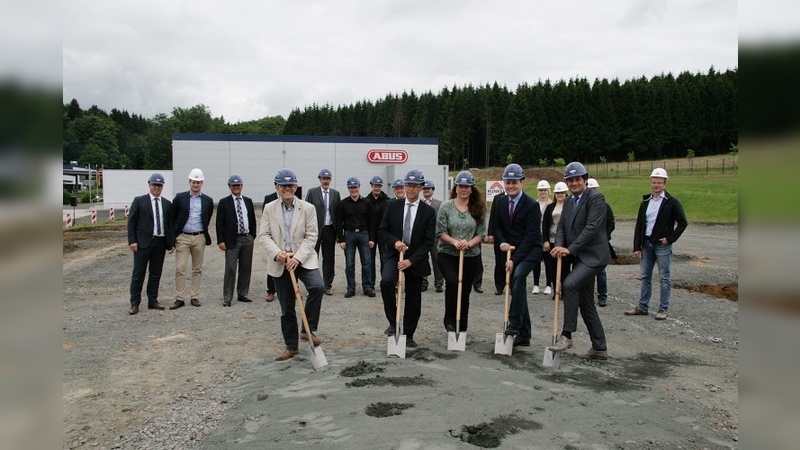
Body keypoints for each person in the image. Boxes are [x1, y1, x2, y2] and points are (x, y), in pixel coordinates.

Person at [259, 169, 326, 361]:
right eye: (283, 186)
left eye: (290, 186)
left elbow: (312, 235)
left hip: (303, 258)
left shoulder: (308, 208)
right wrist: (277, 253)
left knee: (317, 287)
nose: (287, 189)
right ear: (277, 188)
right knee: (287, 306)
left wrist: (298, 258)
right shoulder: (269, 208)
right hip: (281, 260)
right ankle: (291, 347)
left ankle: (307, 329)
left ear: (296, 187)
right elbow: (264, 235)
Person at [548, 162, 611, 360]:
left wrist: (570, 249)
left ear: (585, 180)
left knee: (570, 284)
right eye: (571, 180)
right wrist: (558, 246)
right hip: (580, 257)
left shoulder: (596, 198)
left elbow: (591, 228)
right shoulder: (567, 202)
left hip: (594, 257)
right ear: (567, 182)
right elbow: (561, 228)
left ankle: (566, 335)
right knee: (586, 303)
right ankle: (599, 347)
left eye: (578, 179)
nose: (574, 183)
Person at [378, 169, 436, 348]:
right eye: (408, 185)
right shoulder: (393, 206)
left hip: (415, 258)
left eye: (415, 186)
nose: (411, 189)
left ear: (420, 187)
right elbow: (382, 231)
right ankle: (393, 322)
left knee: (413, 298)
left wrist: (411, 261)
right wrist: (395, 242)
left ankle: (409, 333)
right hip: (395, 254)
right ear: (404, 186)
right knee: (386, 282)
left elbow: (428, 242)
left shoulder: (428, 212)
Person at [488, 164, 543, 347]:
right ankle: (525, 335)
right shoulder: (500, 201)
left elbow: (531, 236)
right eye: (508, 182)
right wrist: (501, 242)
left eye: (514, 182)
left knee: (518, 277)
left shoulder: (532, 205)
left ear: (522, 182)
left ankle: (514, 324)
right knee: (516, 288)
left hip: (529, 250)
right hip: (510, 249)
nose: (511, 186)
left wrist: (514, 260)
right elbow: (496, 226)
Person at [626, 168, 688, 320]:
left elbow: (682, 223)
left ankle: (663, 308)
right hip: (646, 244)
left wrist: (670, 238)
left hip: (662, 246)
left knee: (664, 277)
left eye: (659, 182)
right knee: (645, 276)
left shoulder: (671, 203)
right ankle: (643, 306)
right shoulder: (645, 202)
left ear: (664, 184)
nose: (656, 185)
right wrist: (637, 246)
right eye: (654, 182)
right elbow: (640, 224)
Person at [436, 171, 486, 334]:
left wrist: (469, 243)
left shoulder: (478, 208)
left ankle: (461, 326)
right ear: (456, 188)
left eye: (467, 187)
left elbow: (481, 233)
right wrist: (455, 242)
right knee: (452, 282)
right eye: (461, 186)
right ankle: (449, 321)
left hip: (470, 256)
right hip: (448, 254)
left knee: (464, 291)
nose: (463, 189)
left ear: (471, 189)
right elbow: (440, 232)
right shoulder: (446, 206)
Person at [126, 173, 175, 315]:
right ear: (149, 185)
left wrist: (170, 243)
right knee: (138, 273)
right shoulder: (139, 201)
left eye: (159, 185)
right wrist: (132, 241)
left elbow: (169, 224)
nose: (157, 187)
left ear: (162, 187)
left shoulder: (166, 204)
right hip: (143, 243)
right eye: (154, 185)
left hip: (160, 243)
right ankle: (134, 303)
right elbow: (132, 222)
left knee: (155, 273)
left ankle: (152, 300)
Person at [170, 168, 214, 310]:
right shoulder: (180, 198)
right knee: (180, 268)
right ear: (189, 182)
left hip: (199, 237)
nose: (196, 185)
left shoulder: (208, 201)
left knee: (197, 268)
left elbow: (207, 217)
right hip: (183, 237)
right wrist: (173, 238)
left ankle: (194, 296)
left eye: (198, 182)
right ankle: (180, 298)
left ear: (202, 183)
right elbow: (173, 218)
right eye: (194, 182)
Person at [216, 174, 257, 307]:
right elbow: (219, 223)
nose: (236, 187)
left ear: (242, 186)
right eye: (233, 185)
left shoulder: (248, 201)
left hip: (246, 238)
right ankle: (227, 297)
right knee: (231, 268)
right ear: (229, 187)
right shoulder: (224, 202)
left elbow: (252, 220)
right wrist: (221, 241)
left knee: (246, 267)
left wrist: (252, 236)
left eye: (238, 185)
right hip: (231, 240)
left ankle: (243, 293)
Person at [335, 176, 376, 298]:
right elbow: (338, 222)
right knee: (349, 264)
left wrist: (371, 238)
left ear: (359, 187)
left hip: (364, 234)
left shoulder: (367, 203)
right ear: (348, 188)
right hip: (349, 235)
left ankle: (367, 287)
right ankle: (351, 288)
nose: (354, 190)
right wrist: (341, 239)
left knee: (367, 263)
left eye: (355, 187)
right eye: (351, 188)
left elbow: (372, 222)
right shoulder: (342, 204)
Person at [305, 168, 340, 296]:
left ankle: (327, 285)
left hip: (329, 230)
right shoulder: (312, 192)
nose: (326, 181)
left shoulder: (335, 194)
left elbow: (337, 214)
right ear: (319, 179)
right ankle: (313, 286)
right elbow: (306, 211)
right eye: (323, 178)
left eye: (328, 179)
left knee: (329, 259)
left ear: (330, 180)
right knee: (312, 257)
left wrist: (338, 234)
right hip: (314, 230)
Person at [587, 178, 617, 307]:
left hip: (601, 243)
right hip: (586, 244)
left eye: (594, 189)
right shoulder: (583, 206)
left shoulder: (605, 206)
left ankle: (602, 296)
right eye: (590, 189)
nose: (592, 191)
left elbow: (611, 223)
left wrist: (605, 236)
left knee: (601, 272)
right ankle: (587, 297)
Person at [542, 182, 569, 299]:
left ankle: (565, 290)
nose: (560, 195)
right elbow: (545, 225)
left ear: (566, 193)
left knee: (565, 268)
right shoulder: (550, 207)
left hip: (566, 242)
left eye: (562, 192)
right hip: (552, 240)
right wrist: (546, 240)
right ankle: (556, 290)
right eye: (558, 193)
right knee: (552, 267)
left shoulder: (570, 206)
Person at [365, 175, 389, 289]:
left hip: (383, 234)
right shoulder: (366, 201)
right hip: (370, 234)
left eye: (379, 186)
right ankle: (371, 284)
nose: (377, 188)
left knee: (385, 259)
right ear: (371, 186)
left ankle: (385, 282)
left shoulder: (387, 201)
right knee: (370, 260)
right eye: (375, 186)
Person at [421, 179, 444, 293]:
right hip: (422, 238)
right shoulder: (419, 203)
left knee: (437, 260)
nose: (426, 191)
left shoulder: (439, 204)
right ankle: (423, 283)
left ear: (433, 190)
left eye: (428, 189)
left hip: (435, 237)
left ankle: (439, 283)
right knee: (423, 260)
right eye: (424, 189)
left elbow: (442, 221)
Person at [531, 180, 553, 295]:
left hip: (547, 238)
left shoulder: (551, 204)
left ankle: (549, 285)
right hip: (536, 238)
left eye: (544, 190)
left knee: (548, 262)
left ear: (548, 191)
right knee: (536, 262)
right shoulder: (534, 204)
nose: (543, 192)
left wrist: (547, 239)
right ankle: (536, 285)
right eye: (540, 190)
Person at [487, 193, 507, 296]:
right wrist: (490, 233)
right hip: (499, 235)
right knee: (499, 262)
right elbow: (493, 215)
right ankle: (499, 286)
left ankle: (512, 285)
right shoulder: (498, 198)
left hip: (513, 236)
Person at [262, 192, 278, 302]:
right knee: (272, 264)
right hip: (273, 236)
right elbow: (265, 218)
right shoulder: (269, 198)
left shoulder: (293, 197)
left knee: (291, 264)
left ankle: (294, 289)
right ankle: (271, 291)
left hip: (289, 237)